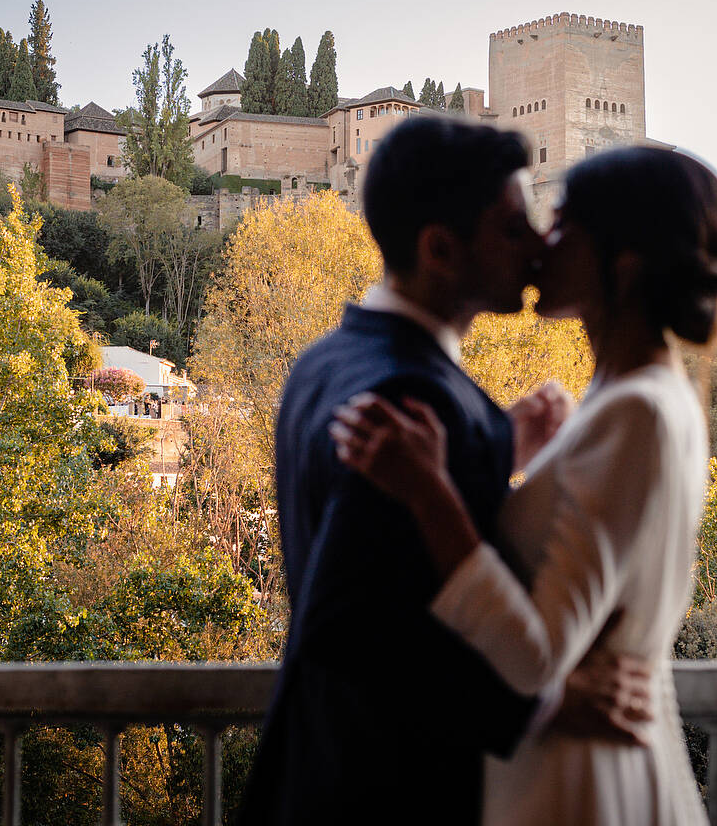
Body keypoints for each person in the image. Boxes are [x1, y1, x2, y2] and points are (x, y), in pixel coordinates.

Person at [239, 117, 657, 826]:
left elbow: (378, 561)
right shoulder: (416, 396)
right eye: (511, 228)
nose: (536, 246)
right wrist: (546, 705)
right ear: (440, 248)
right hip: (386, 797)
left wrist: (498, 443)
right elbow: (367, 632)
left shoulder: (324, 362)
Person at [332, 145, 717, 824]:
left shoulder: (635, 412)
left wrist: (431, 492)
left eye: (565, 225)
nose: (543, 240)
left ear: (624, 263)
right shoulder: (636, 401)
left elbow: (536, 658)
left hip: (576, 786)